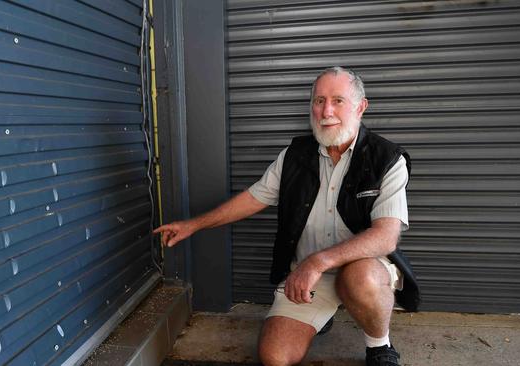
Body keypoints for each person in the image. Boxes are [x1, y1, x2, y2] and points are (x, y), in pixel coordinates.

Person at [153, 66, 420, 366]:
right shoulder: (294, 155)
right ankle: (321, 314)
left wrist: (318, 262)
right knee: (274, 357)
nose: (326, 110)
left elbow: (386, 237)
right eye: (319, 101)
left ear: (361, 106)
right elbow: (253, 198)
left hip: (359, 270)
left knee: (360, 278)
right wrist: (194, 225)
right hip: (307, 275)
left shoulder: (387, 158)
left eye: (338, 100)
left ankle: (379, 345)